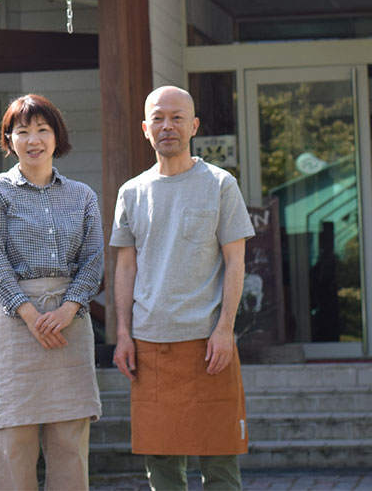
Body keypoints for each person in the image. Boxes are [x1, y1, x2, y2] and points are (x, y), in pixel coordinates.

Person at [110, 85, 255, 491]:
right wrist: (123, 333)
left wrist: (225, 328)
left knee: (221, 465)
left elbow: (235, 260)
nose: (167, 125)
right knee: (162, 471)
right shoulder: (132, 192)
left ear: (193, 125)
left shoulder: (220, 184)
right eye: (158, 117)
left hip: (209, 345)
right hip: (150, 347)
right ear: (144, 128)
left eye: (176, 117)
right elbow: (125, 265)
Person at [0, 93, 103, 491]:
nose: (33, 140)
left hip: (70, 324)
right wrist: (30, 315)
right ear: (8, 139)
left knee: (68, 438)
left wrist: (69, 309)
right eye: (22, 131)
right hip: (13, 326)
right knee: (14, 440)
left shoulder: (82, 196)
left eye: (42, 130)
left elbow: (94, 259)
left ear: (56, 136)